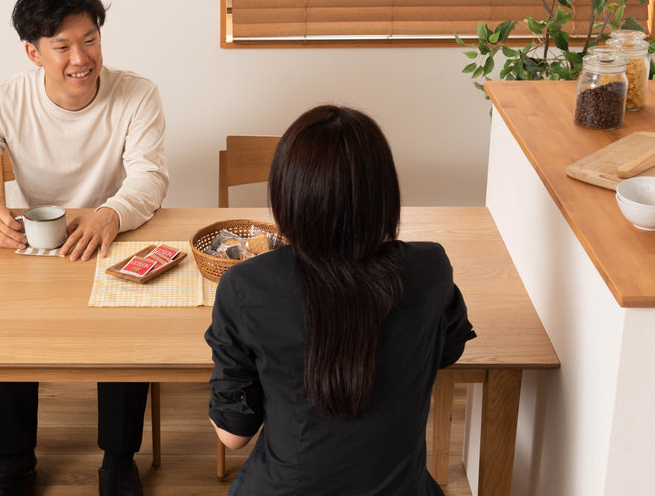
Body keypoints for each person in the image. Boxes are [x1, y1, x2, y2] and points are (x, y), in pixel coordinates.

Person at [0, 0, 169, 496]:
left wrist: (110, 214)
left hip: (113, 233)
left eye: (90, 39)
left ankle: (118, 460)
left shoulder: (136, 93)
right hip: (34, 242)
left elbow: (149, 178)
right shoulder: (3, 99)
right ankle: (12, 461)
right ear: (33, 52)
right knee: (0, 327)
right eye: (62, 46)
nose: (80, 58)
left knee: (126, 329)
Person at [204, 105, 476, 496]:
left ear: (288, 193)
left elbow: (233, 434)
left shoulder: (246, 285)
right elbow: (447, 352)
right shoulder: (428, 269)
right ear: (383, 193)